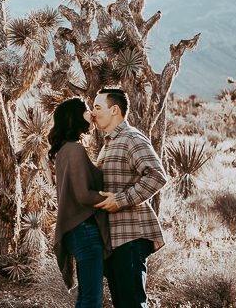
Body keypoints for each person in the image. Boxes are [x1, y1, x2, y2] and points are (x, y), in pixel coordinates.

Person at [92, 88, 167, 308]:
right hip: (115, 239)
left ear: (114, 110)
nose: (93, 113)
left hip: (131, 237)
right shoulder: (109, 144)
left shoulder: (131, 138)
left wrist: (121, 200)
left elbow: (157, 176)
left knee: (133, 304)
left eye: (98, 107)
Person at [50, 98, 111, 308]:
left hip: (77, 230)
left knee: (86, 296)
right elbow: (83, 195)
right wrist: (114, 198)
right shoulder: (74, 149)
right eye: (87, 110)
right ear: (75, 116)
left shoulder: (64, 150)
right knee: (92, 299)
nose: (91, 114)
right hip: (84, 230)